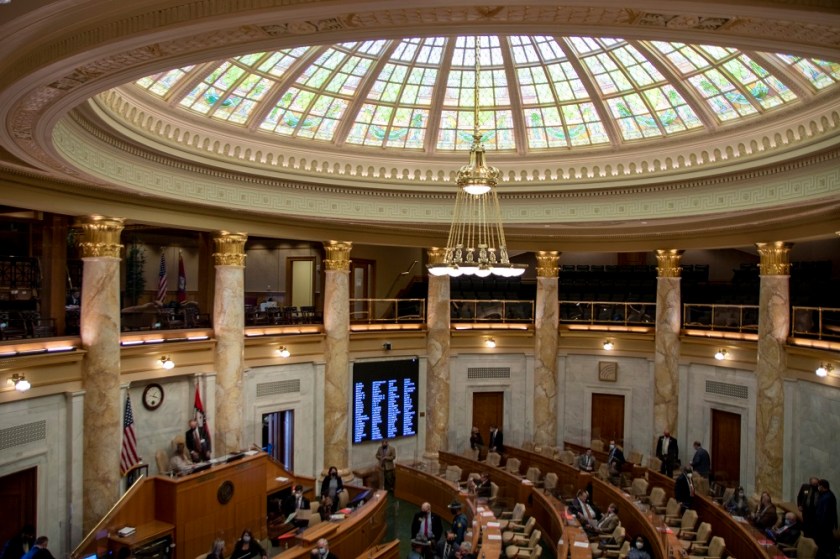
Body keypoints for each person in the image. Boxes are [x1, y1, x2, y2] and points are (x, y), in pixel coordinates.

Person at [815, 479, 838, 559]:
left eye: (819, 486)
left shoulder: (827, 497)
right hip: (825, 525)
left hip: (825, 526)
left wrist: (820, 524)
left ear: (822, 486)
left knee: (826, 543)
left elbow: (825, 513)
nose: (818, 488)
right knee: (826, 542)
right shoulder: (827, 495)